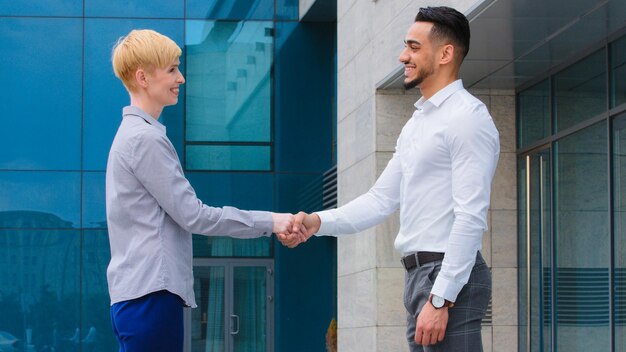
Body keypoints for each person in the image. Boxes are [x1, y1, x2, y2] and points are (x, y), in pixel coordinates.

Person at [278, 6, 500, 352]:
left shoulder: (467, 118)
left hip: (449, 276)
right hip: (418, 278)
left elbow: (471, 215)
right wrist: (316, 221)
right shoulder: (417, 125)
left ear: (445, 54)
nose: (403, 56)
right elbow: (380, 200)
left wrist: (442, 298)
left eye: (413, 47)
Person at [106, 29, 302, 352]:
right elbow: (195, 216)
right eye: (171, 70)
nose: (180, 78)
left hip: (136, 298)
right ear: (142, 77)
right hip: (151, 299)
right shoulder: (145, 140)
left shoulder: (129, 137)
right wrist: (272, 221)